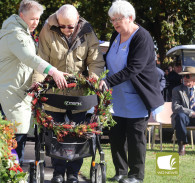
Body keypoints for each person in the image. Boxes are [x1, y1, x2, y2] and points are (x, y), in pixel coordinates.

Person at [32, 4, 105, 183]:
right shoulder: (47, 31)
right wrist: (37, 84)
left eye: (70, 26)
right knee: (56, 135)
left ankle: (73, 173)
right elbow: (40, 61)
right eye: (62, 25)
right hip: (54, 93)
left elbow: (95, 61)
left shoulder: (88, 33)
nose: (65, 29)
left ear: (77, 20)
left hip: (79, 94)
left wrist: (93, 81)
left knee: (78, 134)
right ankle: (57, 172)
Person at [0, 0, 67, 166]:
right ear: (21, 16)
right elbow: (28, 57)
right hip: (11, 87)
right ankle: (12, 170)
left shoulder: (22, 29)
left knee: (20, 129)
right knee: (17, 131)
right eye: (32, 19)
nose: (36, 23)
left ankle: (13, 168)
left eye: (38, 19)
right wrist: (53, 71)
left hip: (19, 87)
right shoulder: (15, 33)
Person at [99, 1, 164, 183]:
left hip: (137, 96)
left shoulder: (142, 37)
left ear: (130, 18)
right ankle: (120, 171)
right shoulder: (115, 35)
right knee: (116, 136)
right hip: (116, 96)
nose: (115, 23)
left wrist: (107, 81)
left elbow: (134, 67)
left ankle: (136, 175)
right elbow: (108, 58)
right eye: (112, 20)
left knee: (135, 138)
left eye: (118, 19)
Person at [171, 66, 195, 156]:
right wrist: (191, 112)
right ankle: (182, 144)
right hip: (185, 117)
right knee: (180, 116)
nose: (184, 78)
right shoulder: (177, 90)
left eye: (187, 76)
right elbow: (175, 107)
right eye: (183, 76)